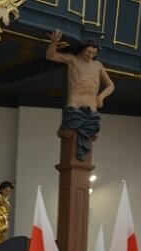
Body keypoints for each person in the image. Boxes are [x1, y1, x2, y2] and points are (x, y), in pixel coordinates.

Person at [46, 30, 114, 161]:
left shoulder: (98, 65)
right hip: (75, 104)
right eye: (89, 52)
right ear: (83, 50)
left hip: (92, 106)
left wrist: (101, 97)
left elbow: (111, 85)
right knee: (72, 139)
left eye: (94, 53)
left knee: (89, 137)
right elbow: (51, 56)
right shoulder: (73, 60)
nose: (91, 55)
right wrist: (53, 42)